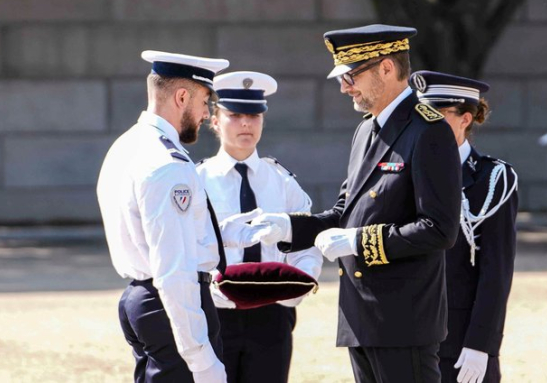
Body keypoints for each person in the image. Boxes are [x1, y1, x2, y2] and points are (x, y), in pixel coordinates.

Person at [254, 24, 462, 382]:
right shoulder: (366, 130)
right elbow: (344, 213)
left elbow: (439, 229)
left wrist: (358, 242)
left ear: (386, 68)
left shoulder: (428, 130)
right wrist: (288, 226)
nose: (343, 86)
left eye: (352, 75)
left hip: (405, 319)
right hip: (361, 315)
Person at [97, 51, 277, 383]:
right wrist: (201, 356)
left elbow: (151, 233)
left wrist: (217, 235)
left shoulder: (129, 145)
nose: (206, 113)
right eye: (205, 102)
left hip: (144, 300)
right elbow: (173, 270)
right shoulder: (167, 163)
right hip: (170, 307)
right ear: (182, 96)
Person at [196, 71, 323, 383]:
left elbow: (307, 238)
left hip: (272, 311)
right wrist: (203, 287)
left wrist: (303, 280)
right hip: (215, 312)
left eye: (253, 115)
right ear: (215, 121)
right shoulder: (197, 180)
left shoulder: (281, 181)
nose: (245, 124)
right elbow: (184, 245)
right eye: (235, 115)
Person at [412, 71, 518, 383]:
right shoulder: (404, 171)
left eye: (437, 116)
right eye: (421, 116)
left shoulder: (492, 179)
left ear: (465, 119)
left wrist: (481, 344)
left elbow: (496, 271)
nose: (426, 126)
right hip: (406, 334)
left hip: (458, 338)